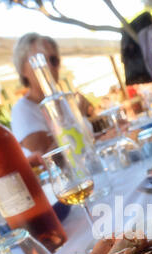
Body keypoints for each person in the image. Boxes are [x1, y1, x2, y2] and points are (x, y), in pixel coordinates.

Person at [11, 33, 94, 166]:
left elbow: (85, 145)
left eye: (53, 60)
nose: (48, 66)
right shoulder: (23, 110)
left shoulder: (65, 99)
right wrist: (76, 118)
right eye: (39, 61)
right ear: (22, 69)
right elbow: (48, 161)